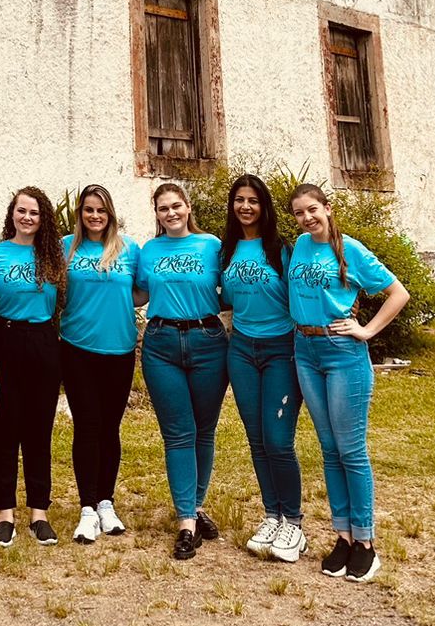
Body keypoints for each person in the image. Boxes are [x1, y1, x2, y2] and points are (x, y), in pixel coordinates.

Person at [288, 182, 409, 584]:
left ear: (327, 207)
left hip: (343, 354)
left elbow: (397, 293)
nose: (307, 218)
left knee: (351, 450)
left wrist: (367, 330)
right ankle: (342, 536)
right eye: (299, 213)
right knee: (328, 449)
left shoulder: (350, 249)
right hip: (305, 351)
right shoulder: (300, 247)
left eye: (312, 210)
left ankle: (366, 544)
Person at [139, 181, 227, 561]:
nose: (171, 213)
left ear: (188, 207)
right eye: (163, 209)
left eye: (176, 206)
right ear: (156, 215)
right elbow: (138, 293)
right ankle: (186, 522)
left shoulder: (212, 246)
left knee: (204, 431)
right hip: (161, 343)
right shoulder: (148, 250)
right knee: (178, 432)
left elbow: (233, 288)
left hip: (208, 340)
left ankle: (197, 504)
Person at [219, 175, 305, 563]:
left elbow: (306, 292)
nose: (245, 206)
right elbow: (224, 301)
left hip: (279, 350)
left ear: (264, 206)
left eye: (253, 200)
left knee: (278, 439)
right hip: (241, 350)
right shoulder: (227, 250)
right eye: (239, 200)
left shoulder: (282, 251)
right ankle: (272, 515)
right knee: (256, 439)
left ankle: (295, 524)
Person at [59, 185, 144, 544]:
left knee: (110, 427)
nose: (95, 216)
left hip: (120, 349)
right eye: (89, 210)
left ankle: (107, 503)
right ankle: (87, 509)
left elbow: (142, 291)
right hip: (77, 348)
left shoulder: (130, 249)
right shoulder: (66, 247)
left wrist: (116, 304)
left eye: (101, 211)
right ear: (80, 214)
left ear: (111, 214)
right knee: (87, 424)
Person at [0, 187, 64, 547]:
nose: (27, 218)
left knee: (38, 428)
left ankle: (38, 513)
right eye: (21, 211)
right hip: (4, 340)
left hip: (43, 342)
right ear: (11, 214)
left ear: (43, 218)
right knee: (3, 428)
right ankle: (4, 512)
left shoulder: (52, 256)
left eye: (34, 212)